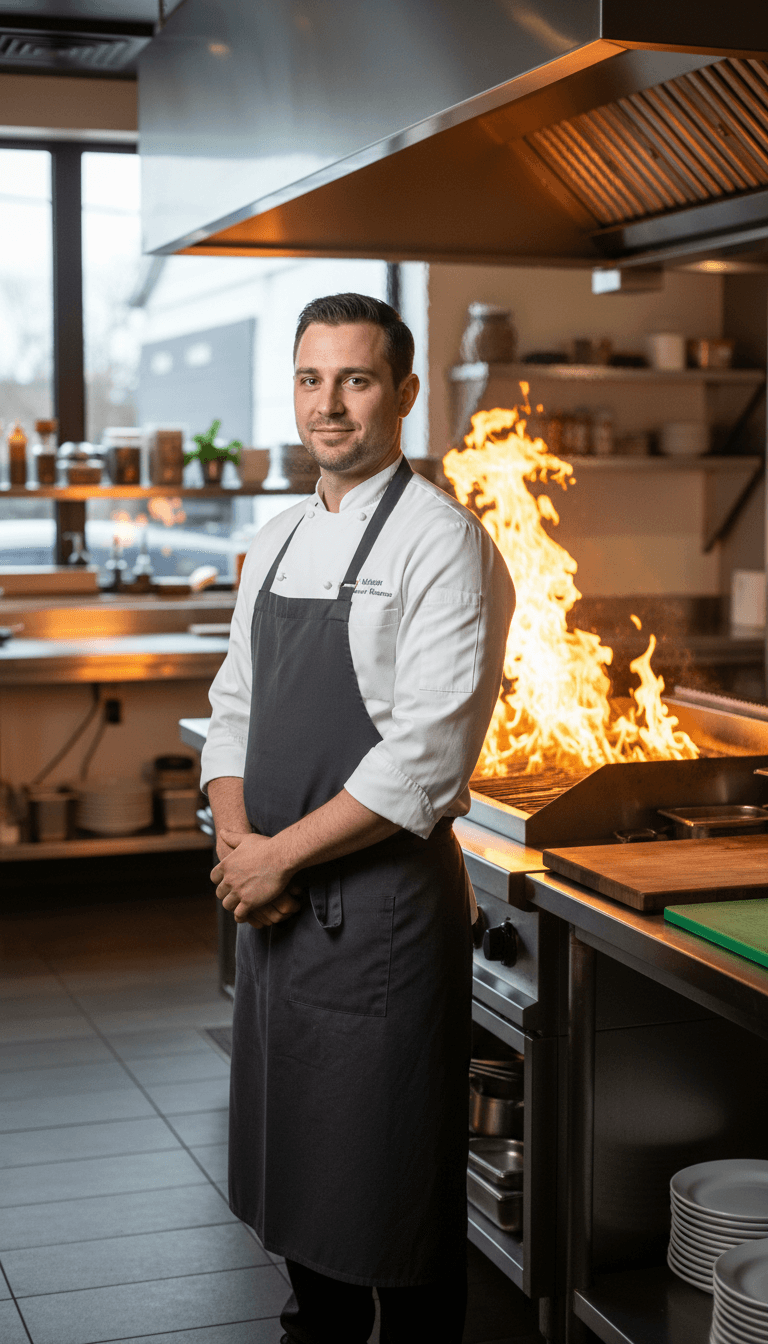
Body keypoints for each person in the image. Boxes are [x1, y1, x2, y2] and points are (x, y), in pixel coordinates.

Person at [204, 292, 515, 1344]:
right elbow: (232, 710)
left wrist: (274, 859)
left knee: (390, 1188)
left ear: (405, 393)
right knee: (298, 1160)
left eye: (356, 379)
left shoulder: (445, 543)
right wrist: (240, 848)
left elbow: (427, 756)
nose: (328, 405)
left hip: (376, 918)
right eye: (310, 378)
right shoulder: (278, 539)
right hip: (277, 914)